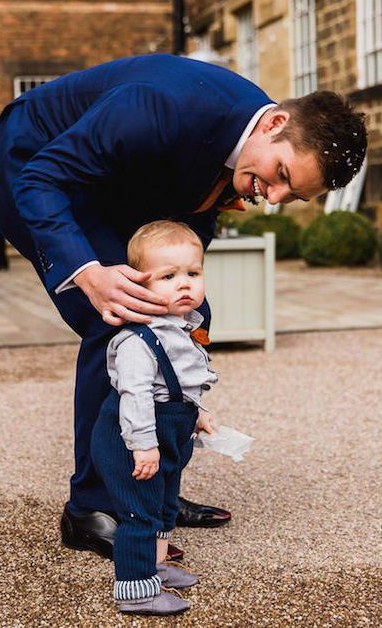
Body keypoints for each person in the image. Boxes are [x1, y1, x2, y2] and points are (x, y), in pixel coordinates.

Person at [0, 53, 367, 559]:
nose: (273, 194)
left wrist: (182, 292)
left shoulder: (246, 147)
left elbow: (189, 215)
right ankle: (90, 510)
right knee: (119, 319)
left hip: (113, 180)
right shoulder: (162, 107)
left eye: (293, 193)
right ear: (275, 122)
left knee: (189, 318)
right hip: (32, 159)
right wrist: (90, 273)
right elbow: (44, 179)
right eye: (281, 172)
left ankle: (152, 493)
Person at [92, 220, 218, 616]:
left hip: (169, 434)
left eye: (192, 274)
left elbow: (180, 384)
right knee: (139, 513)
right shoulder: (137, 340)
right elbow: (136, 396)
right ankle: (135, 591)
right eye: (168, 276)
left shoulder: (180, 330)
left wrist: (197, 414)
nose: (185, 284)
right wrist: (143, 445)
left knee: (164, 506)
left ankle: (157, 568)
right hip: (133, 440)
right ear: (141, 286)